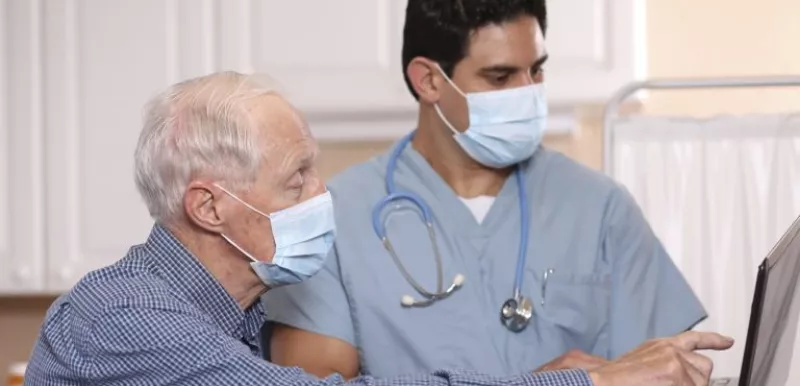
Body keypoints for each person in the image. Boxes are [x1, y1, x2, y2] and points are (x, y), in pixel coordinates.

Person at [23, 71, 733, 386]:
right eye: (298, 175)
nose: (322, 193)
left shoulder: (236, 317)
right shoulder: (125, 318)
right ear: (211, 208)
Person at [264, 0, 708, 380]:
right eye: (500, 78)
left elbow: (662, 371)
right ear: (429, 80)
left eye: (536, 70)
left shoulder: (601, 208)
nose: (528, 93)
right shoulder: (335, 223)